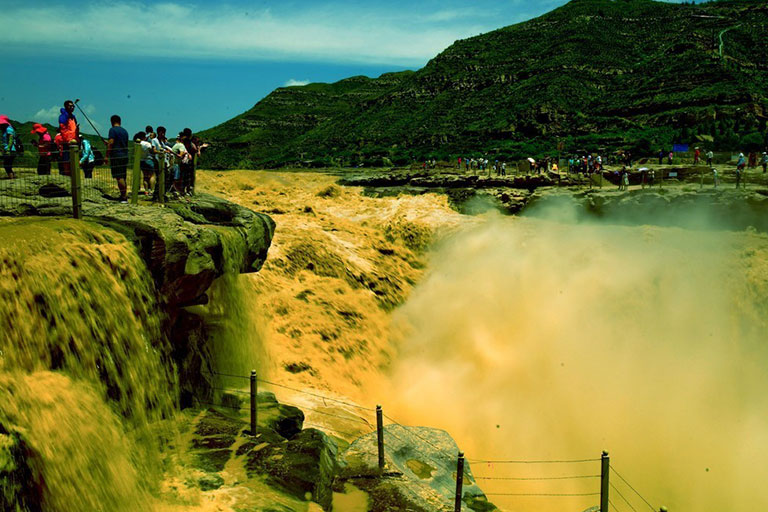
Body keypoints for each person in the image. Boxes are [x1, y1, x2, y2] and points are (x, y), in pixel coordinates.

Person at [106, 115, 129, 202]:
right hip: (124, 155)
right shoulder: (125, 131)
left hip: (116, 156)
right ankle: (124, 195)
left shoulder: (112, 130)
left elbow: (111, 143)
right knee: (123, 176)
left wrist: (106, 156)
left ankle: (123, 197)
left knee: (119, 177)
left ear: (111, 121)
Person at [58, 100, 79, 175]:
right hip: (68, 143)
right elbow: (63, 130)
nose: (72, 107)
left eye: (73, 106)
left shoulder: (73, 117)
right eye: (70, 106)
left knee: (74, 162)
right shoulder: (63, 116)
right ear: (66, 106)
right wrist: (68, 140)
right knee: (67, 162)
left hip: (75, 142)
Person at [134, 131, 157, 196]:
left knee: (145, 176)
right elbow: (151, 151)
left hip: (141, 161)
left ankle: (146, 190)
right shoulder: (147, 144)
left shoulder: (137, 144)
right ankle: (151, 190)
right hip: (148, 159)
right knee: (152, 175)